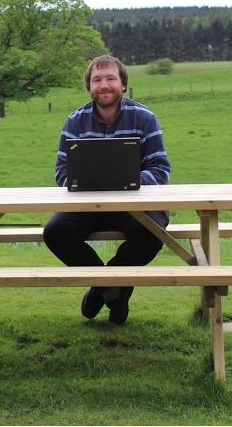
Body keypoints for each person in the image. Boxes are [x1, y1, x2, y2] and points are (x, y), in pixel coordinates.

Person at [43, 54, 171, 325]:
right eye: (97, 79)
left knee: (153, 232)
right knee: (55, 232)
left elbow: (160, 169)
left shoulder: (145, 118)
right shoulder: (74, 122)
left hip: (134, 203)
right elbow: (61, 172)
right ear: (89, 86)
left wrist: (130, 184)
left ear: (123, 84)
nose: (104, 85)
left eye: (111, 78)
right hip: (87, 203)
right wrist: (84, 185)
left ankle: (101, 289)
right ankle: (114, 292)